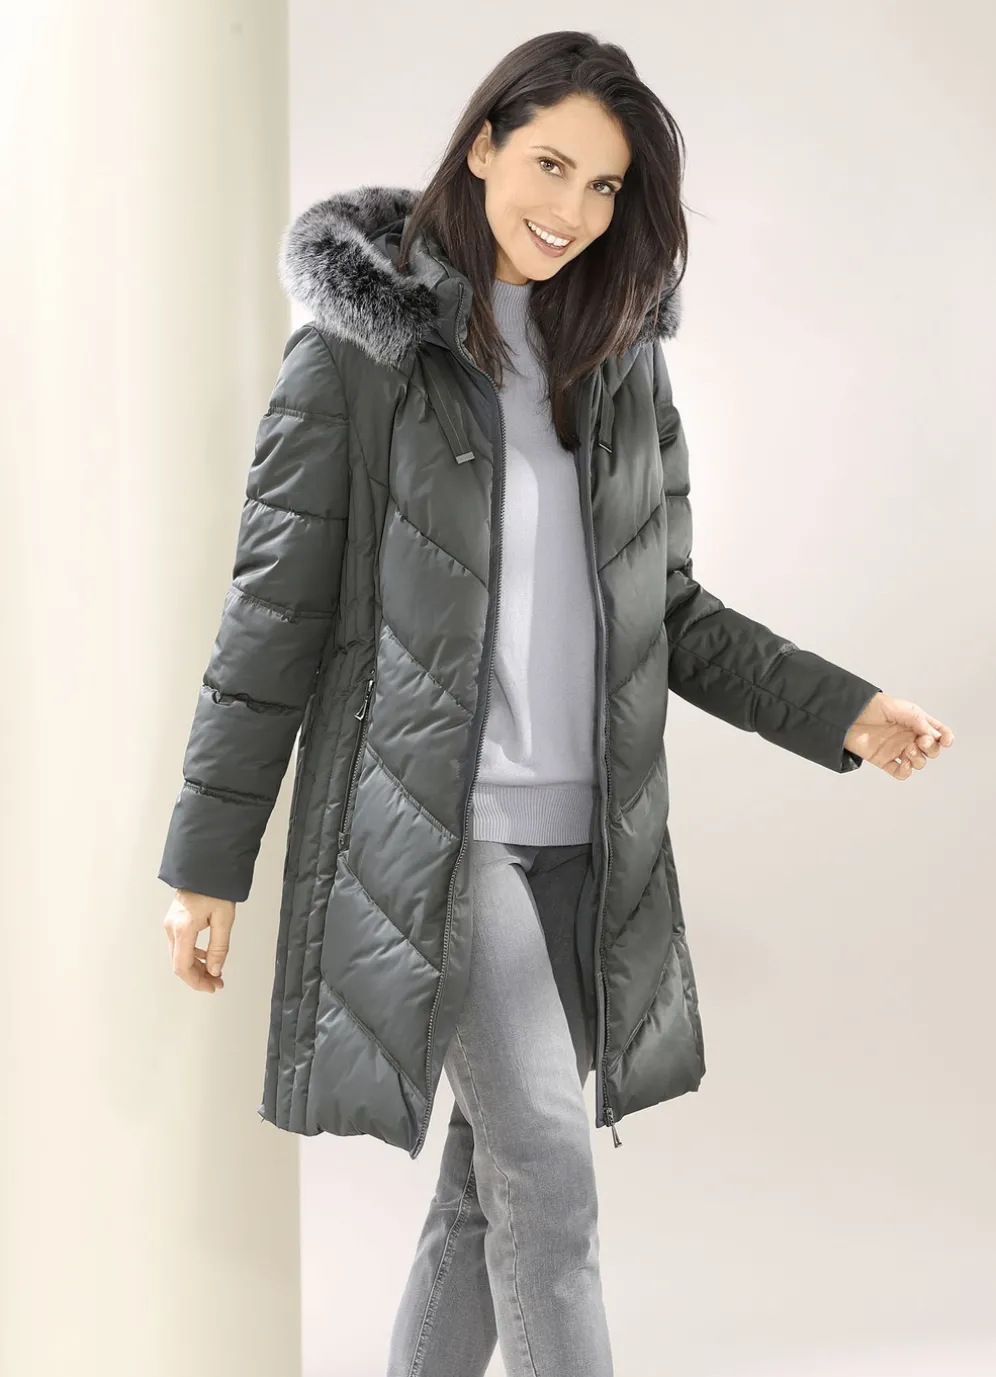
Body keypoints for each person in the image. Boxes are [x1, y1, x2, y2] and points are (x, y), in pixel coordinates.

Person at [159, 30, 955, 1377]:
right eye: (548, 164)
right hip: (435, 835)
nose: (571, 209)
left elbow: (667, 613)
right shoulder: (356, 361)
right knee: (547, 1173)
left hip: (591, 841)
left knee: (491, 1191)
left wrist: (844, 708)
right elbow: (270, 625)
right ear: (482, 146)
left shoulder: (620, 363)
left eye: (603, 186)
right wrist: (205, 864)